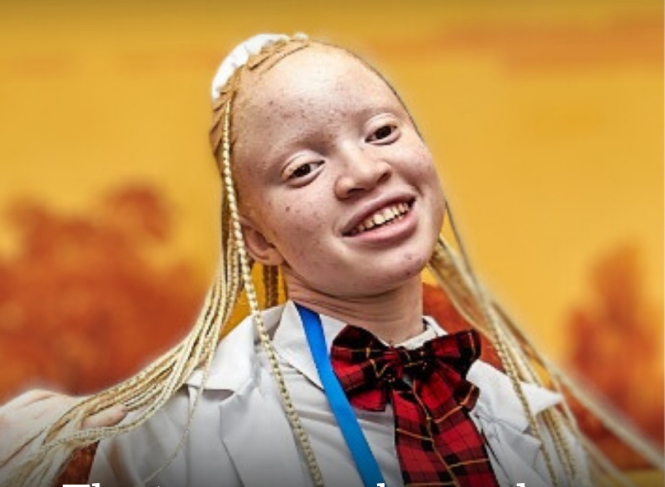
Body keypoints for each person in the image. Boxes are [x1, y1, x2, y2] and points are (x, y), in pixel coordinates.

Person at [1, 33, 652, 487]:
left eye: (382, 132)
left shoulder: (523, 417)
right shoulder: (178, 435)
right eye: (303, 168)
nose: (364, 171)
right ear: (258, 239)